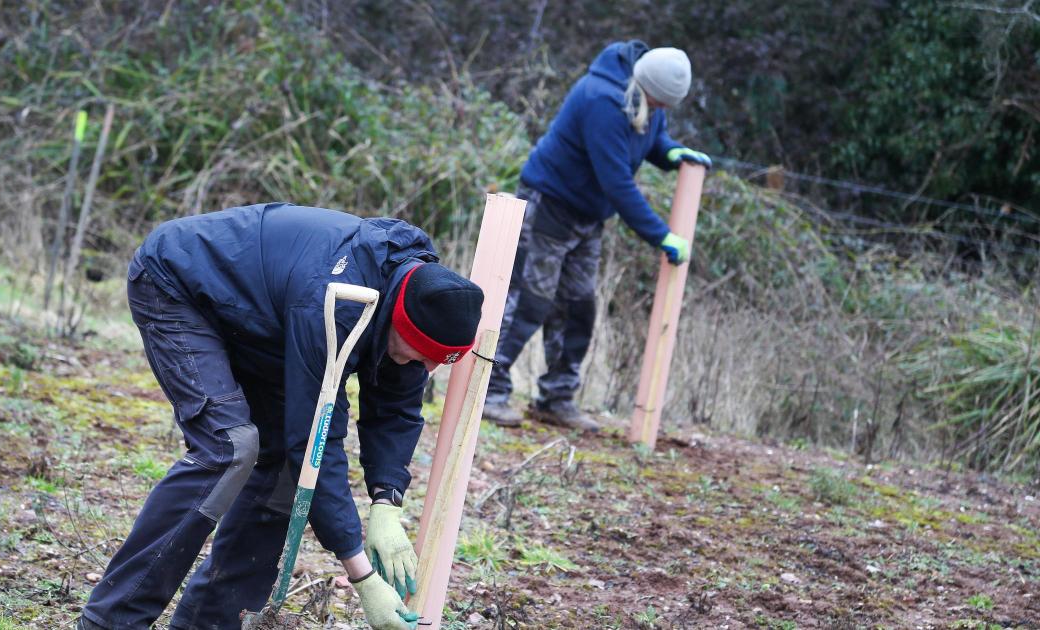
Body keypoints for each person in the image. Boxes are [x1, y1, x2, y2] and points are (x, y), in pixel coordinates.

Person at [77, 203, 484, 630]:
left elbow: (396, 409)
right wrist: (362, 576)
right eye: (423, 355)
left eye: (439, 362)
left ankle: (210, 623)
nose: (429, 368)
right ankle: (112, 620)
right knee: (229, 446)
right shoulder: (339, 303)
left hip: (262, 324)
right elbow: (316, 439)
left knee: (287, 476)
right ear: (401, 321)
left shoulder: (418, 297)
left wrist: (387, 500)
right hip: (180, 283)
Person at [481, 42, 711, 432]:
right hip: (550, 204)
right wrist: (661, 236)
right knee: (530, 302)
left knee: (578, 306)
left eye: (665, 107)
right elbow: (617, 182)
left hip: (588, 217)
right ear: (645, 86)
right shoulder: (603, 99)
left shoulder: (646, 97)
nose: (660, 111)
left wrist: (672, 154)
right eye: (658, 103)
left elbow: (651, 139)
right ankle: (489, 392)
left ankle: (556, 397)